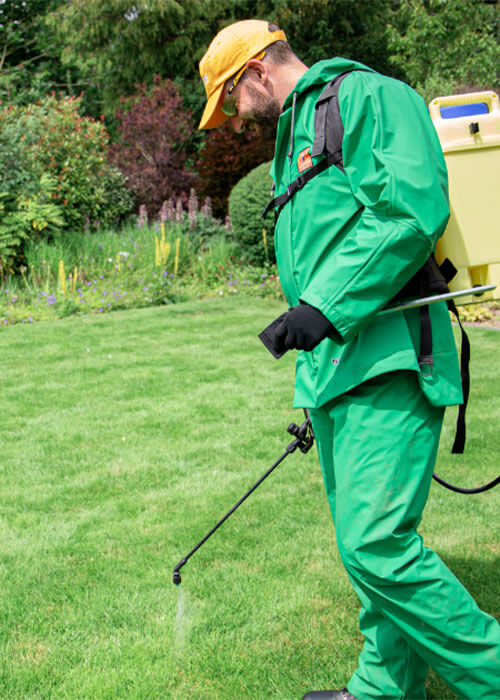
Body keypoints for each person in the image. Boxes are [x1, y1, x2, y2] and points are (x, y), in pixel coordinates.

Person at [197, 19, 500, 700]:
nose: (235, 121)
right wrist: (314, 370)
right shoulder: (297, 134)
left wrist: (322, 308)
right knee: (364, 548)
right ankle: (383, 687)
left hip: (391, 356)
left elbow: (411, 211)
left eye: (232, 101)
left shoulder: (367, 97)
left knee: (377, 545)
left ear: (256, 71)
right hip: (339, 370)